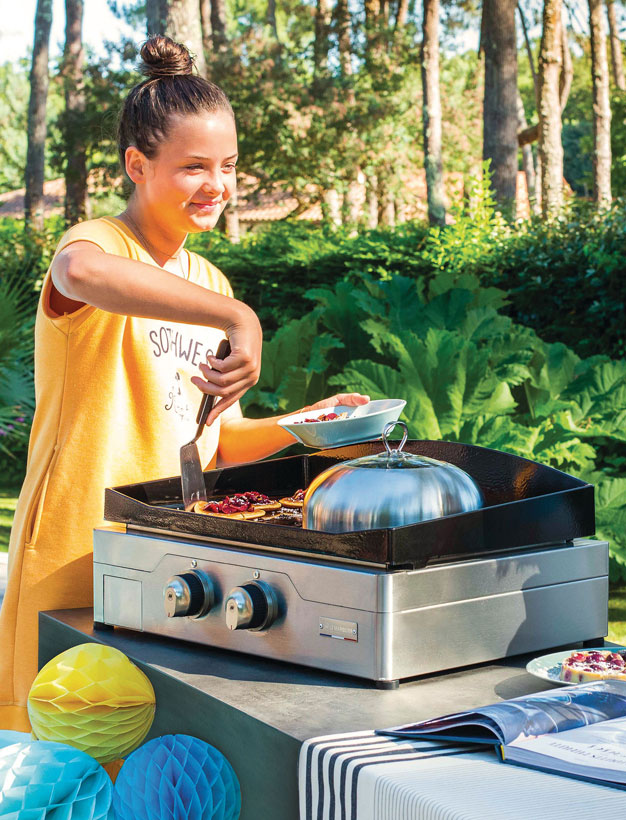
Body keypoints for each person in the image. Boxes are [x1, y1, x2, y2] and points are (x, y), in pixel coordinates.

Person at [0, 36, 367, 731]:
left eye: (228, 166)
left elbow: (217, 441)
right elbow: (76, 276)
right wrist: (239, 317)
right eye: (194, 166)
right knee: (59, 754)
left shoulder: (209, 283)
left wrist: (308, 425)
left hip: (173, 558)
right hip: (77, 550)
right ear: (138, 165)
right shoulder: (99, 242)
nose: (218, 186)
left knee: (152, 760)